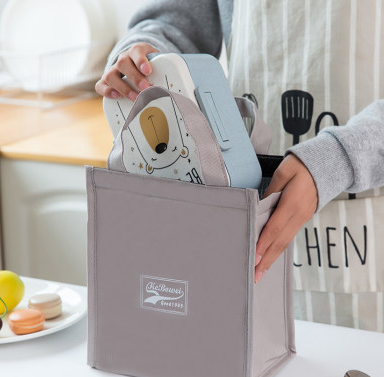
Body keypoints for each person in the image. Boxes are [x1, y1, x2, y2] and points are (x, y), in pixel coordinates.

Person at [96, 0, 384, 284]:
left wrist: (338, 158)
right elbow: (174, 20)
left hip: (366, 247)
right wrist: (141, 58)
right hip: (238, 224)